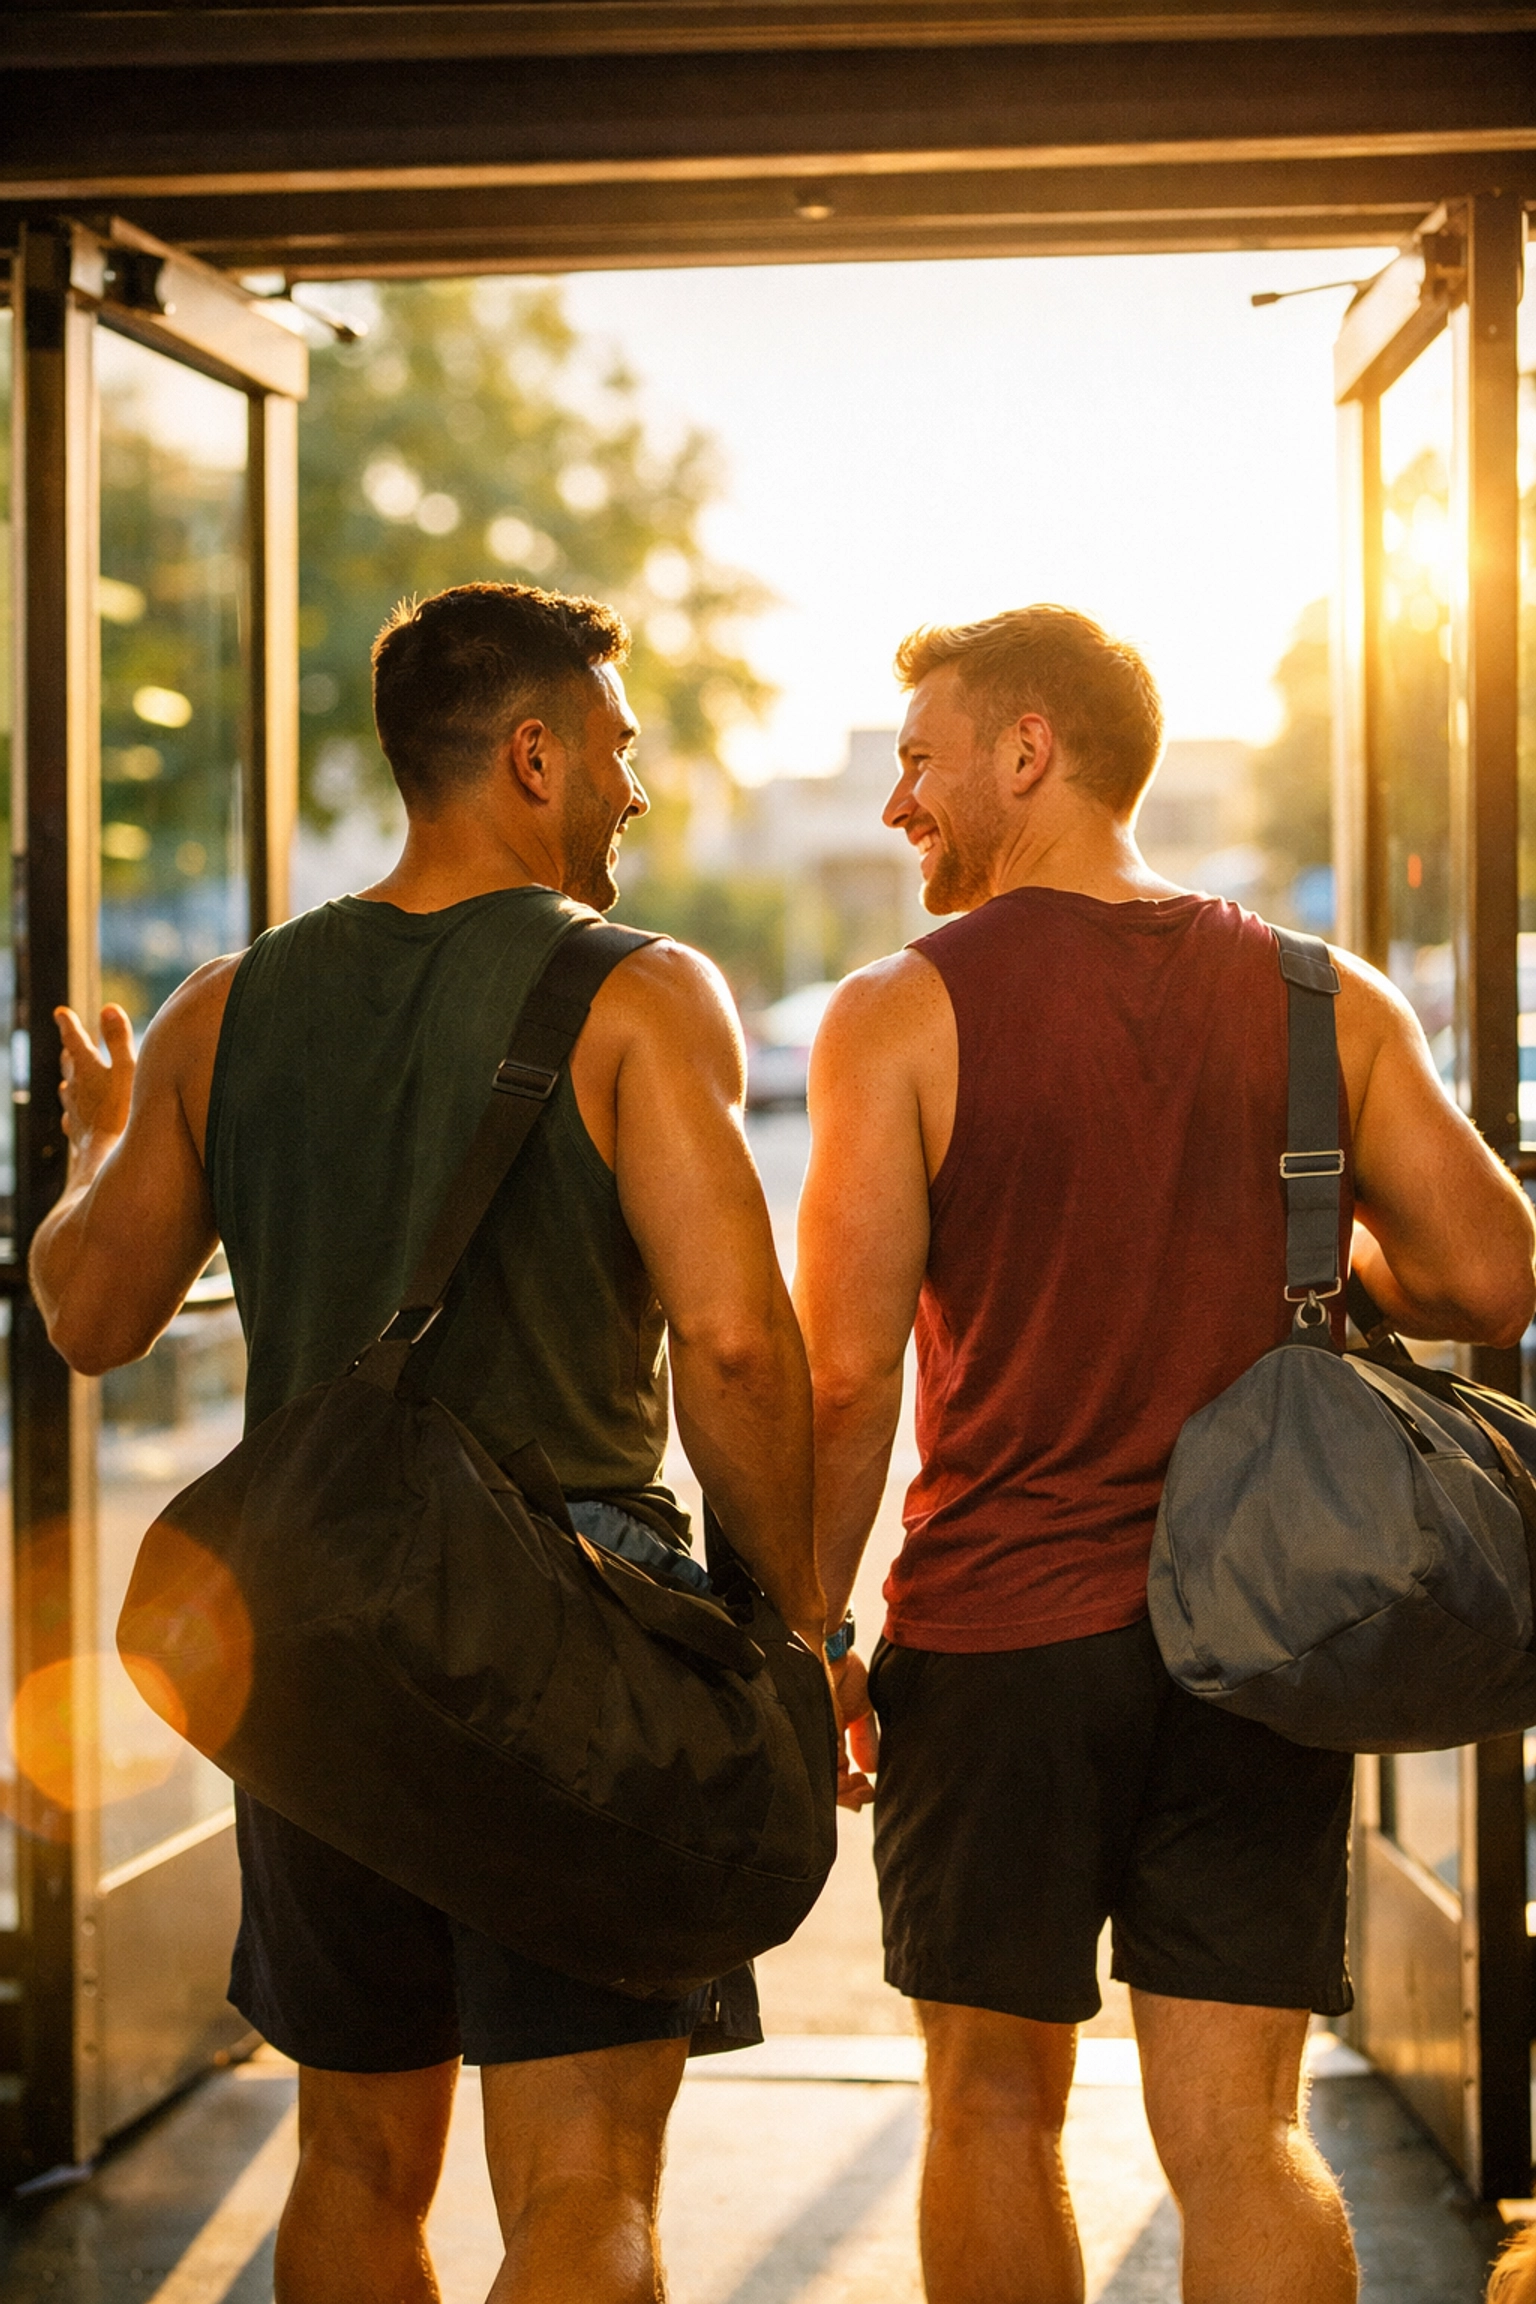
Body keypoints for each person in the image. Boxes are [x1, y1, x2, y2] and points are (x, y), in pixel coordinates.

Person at [30, 582, 827, 2304]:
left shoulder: (224, 1011)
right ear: (531, 756)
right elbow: (746, 1347)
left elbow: (86, 1313)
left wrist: (107, 1145)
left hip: (318, 1647)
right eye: (616, 752)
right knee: (582, 2184)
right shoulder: (636, 993)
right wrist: (788, 1635)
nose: (635, 790)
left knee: (351, 2165)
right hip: (578, 1645)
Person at [794, 603, 1536, 2304]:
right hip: (1260, 1639)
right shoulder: (1313, 992)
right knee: (1240, 2135)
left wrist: (814, 1635)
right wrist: (1309, 1243)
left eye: (920, 761)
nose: (900, 804)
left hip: (997, 1639)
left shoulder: (897, 1014)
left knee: (990, 2111)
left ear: (1027, 753)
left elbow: (844, 1379)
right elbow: (1491, 1272)